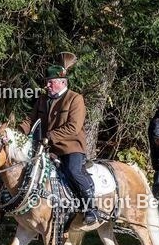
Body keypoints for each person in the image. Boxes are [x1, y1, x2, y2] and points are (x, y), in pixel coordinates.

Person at [19, 52, 99, 225]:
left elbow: (73, 127)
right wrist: (17, 133)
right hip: (48, 148)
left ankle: (91, 208)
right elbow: (30, 120)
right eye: (46, 82)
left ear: (62, 82)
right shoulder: (42, 99)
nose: (47, 85)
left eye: (50, 82)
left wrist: (49, 136)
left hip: (71, 147)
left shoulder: (75, 99)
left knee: (73, 171)